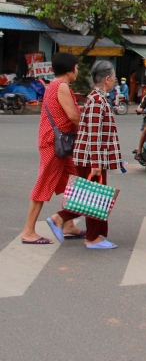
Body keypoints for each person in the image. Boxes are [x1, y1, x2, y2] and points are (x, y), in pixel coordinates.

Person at [50, 60, 124, 249]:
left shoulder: (97, 98)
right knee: (95, 197)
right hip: (91, 158)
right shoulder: (97, 99)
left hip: (90, 157)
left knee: (91, 196)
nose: (114, 81)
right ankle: (89, 236)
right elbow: (94, 133)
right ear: (107, 79)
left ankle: (81, 229)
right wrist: (96, 162)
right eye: (113, 77)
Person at [21, 52, 83, 244]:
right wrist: (91, 127)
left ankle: (68, 224)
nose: (78, 70)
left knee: (74, 182)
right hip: (55, 144)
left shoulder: (55, 85)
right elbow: (73, 116)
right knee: (44, 183)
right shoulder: (61, 86)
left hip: (61, 144)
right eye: (77, 67)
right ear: (69, 69)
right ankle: (28, 231)